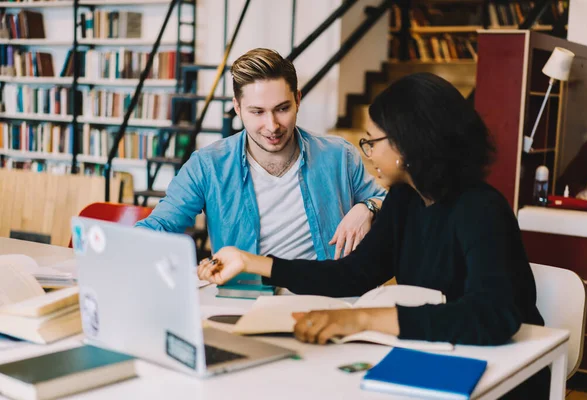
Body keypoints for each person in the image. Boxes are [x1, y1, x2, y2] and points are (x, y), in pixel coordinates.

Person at [198, 73, 549, 398]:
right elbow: (354, 274)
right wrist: (250, 262)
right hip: (437, 356)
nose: (369, 153)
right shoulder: (405, 198)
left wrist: (362, 318)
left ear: (409, 144)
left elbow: (491, 315)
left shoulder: (481, 208)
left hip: (503, 372)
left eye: (373, 141)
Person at [136, 48, 386, 260]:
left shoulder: (338, 155)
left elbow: (390, 201)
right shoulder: (208, 165)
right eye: (257, 112)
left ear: (297, 100)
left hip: (325, 295)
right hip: (244, 295)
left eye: (282, 109)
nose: (272, 125)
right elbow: (163, 224)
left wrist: (368, 207)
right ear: (237, 107)